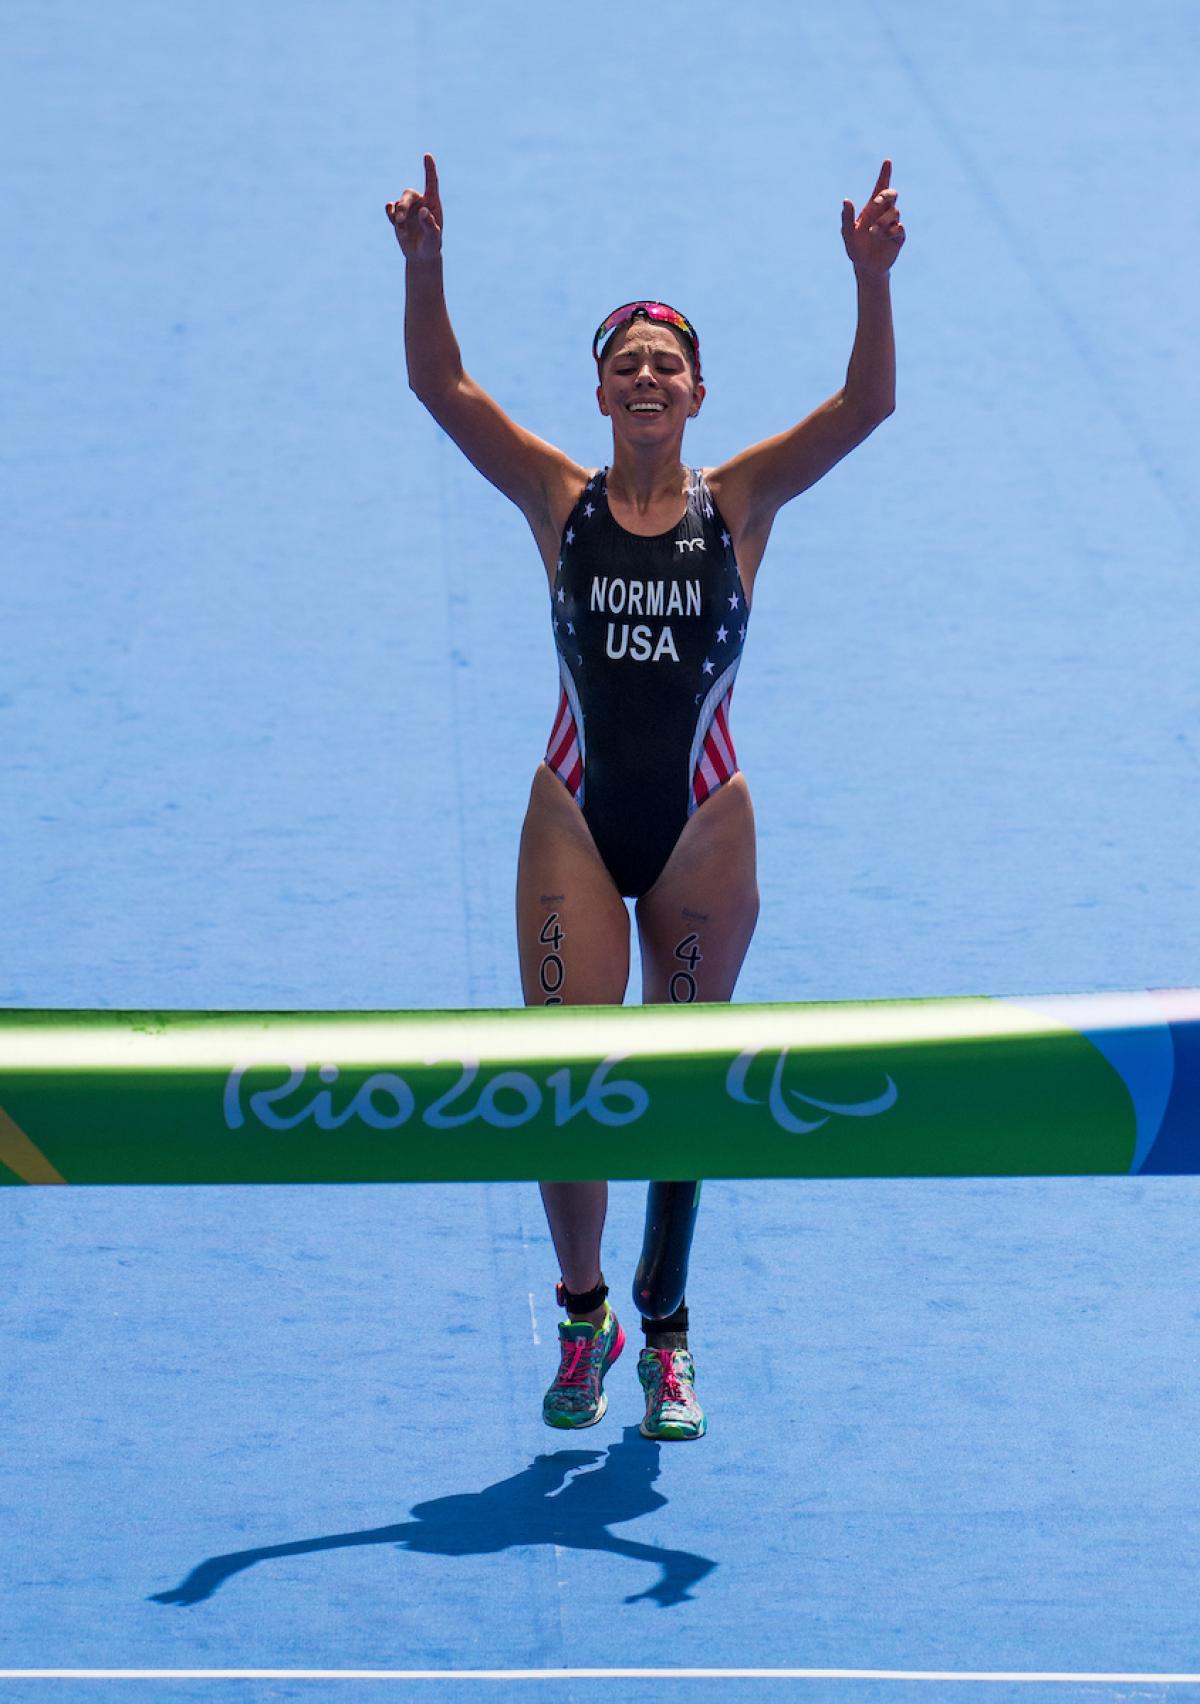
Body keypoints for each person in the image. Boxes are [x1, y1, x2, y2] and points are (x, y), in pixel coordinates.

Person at [386, 154, 904, 1441]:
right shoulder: (556, 499)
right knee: (568, 1073)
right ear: (605, 389)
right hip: (573, 810)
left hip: (702, 825)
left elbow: (866, 404)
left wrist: (872, 279)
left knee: (678, 1084)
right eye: (628, 361)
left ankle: (668, 1330)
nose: (648, 376)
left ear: (698, 390)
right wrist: (427, 267)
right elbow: (441, 389)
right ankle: (582, 1315)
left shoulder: (742, 500)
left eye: (669, 362)